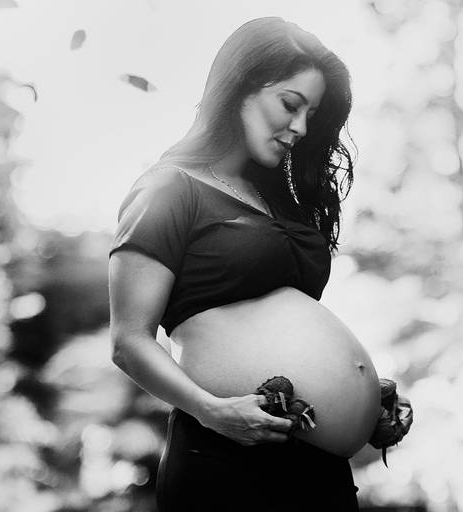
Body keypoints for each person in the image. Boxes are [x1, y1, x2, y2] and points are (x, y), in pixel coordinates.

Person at [108, 17, 412, 511]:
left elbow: (278, 328)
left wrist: (361, 401)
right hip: (228, 462)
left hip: (319, 472)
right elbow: (128, 341)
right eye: (290, 104)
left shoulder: (282, 201)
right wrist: (212, 411)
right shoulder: (169, 188)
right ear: (239, 87)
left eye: (312, 114)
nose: (301, 128)